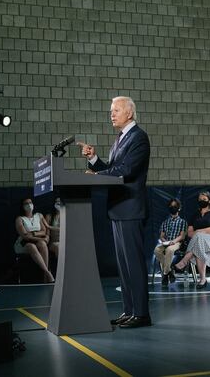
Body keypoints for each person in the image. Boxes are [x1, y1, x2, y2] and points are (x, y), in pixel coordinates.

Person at [79, 95, 151, 329]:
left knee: (134, 264)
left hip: (130, 208)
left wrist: (97, 175)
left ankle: (141, 314)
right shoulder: (119, 140)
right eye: (111, 110)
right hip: (118, 209)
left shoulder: (139, 137)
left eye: (116, 110)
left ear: (129, 113)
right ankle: (129, 311)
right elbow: (112, 169)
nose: (111, 114)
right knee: (124, 266)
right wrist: (94, 159)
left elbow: (127, 170)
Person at [174, 191, 210, 289]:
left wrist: (199, 231)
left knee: (199, 236)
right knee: (199, 246)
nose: (202, 201)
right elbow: (190, 233)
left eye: (204, 199)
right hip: (199, 243)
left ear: (209, 200)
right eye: (200, 200)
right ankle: (202, 280)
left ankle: (185, 260)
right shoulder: (195, 215)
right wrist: (198, 233)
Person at [14, 197, 55, 283]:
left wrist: (33, 234)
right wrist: (41, 237)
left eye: (30, 202)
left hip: (37, 240)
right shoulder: (20, 219)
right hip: (23, 244)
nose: (29, 205)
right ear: (22, 206)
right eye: (26, 203)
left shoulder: (38, 216)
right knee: (31, 246)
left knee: (42, 244)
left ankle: (45, 277)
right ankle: (47, 273)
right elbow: (25, 236)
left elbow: (44, 231)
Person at [153, 198, 186, 287]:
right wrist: (166, 242)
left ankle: (165, 275)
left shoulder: (183, 222)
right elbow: (162, 236)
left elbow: (182, 236)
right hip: (166, 242)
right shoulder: (165, 222)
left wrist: (173, 242)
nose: (172, 208)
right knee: (157, 250)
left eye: (175, 206)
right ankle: (169, 271)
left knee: (170, 250)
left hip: (177, 243)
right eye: (171, 206)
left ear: (178, 208)